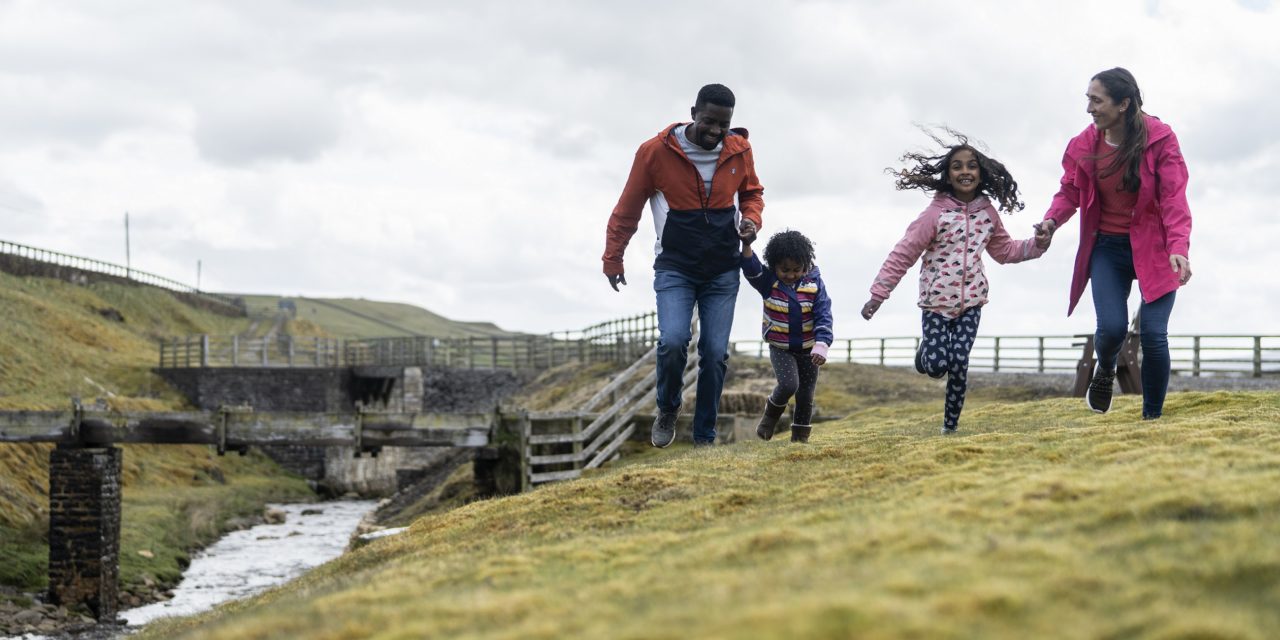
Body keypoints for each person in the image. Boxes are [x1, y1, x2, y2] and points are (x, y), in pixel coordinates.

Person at [602, 83, 765, 448]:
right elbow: (627, 208)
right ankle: (668, 408)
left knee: (714, 352)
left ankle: (704, 437)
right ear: (693, 112)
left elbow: (752, 192)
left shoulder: (740, 150)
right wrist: (613, 256)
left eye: (723, 125)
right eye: (709, 121)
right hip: (676, 267)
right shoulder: (654, 152)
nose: (716, 131)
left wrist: (752, 220)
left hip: (723, 268)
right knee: (674, 340)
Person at [862, 129, 1049, 434]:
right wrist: (878, 294)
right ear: (948, 175)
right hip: (936, 304)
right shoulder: (934, 215)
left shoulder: (987, 213)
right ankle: (925, 355)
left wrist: (1038, 244)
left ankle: (950, 428)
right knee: (937, 367)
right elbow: (904, 253)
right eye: (958, 166)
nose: (965, 171)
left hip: (971, 303)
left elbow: (1005, 251)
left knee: (959, 362)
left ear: (981, 172)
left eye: (971, 166)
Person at [1033, 68, 1192, 420]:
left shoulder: (1160, 139)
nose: (1089, 108)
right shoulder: (1083, 145)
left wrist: (1179, 247)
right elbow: (1070, 190)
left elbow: (1173, 198)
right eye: (1087, 99)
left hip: (1155, 249)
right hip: (1108, 247)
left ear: (1123, 104)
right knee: (1112, 329)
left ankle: (1152, 418)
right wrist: (1051, 221)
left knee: (1154, 335)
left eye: (1096, 99)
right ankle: (1104, 371)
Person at [739, 225, 832, 443]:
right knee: (789, 385)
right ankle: (770, 417)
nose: (790, 275)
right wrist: (746, 244)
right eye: (785, 270)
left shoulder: (814, 284)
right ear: (774, 266)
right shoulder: (768, 282)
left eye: (796, 269)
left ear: (805, 265)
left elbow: (824, 313)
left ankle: (800, 439)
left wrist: (822, 344)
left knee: (806, 395)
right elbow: (750, 267)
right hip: (781, 348)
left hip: (810, 349)